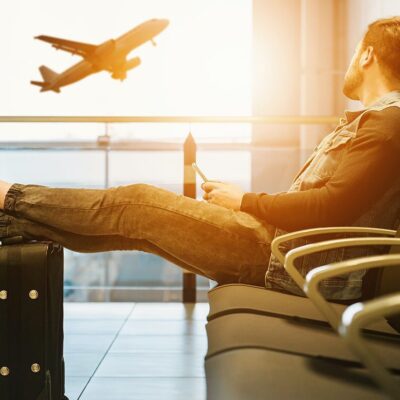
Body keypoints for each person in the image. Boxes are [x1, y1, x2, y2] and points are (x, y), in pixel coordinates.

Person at [1, 17, 399, 300]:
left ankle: (9, 198)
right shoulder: (380, 122)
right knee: (135, 230)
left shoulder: (384, 124)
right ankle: (11, 221)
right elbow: (332, 203)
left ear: (366, 57)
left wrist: (244, 201)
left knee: (135, 204)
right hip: (285, 248)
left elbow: (330, 206)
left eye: (353, 54)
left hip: (285, 259)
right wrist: (248, 204)